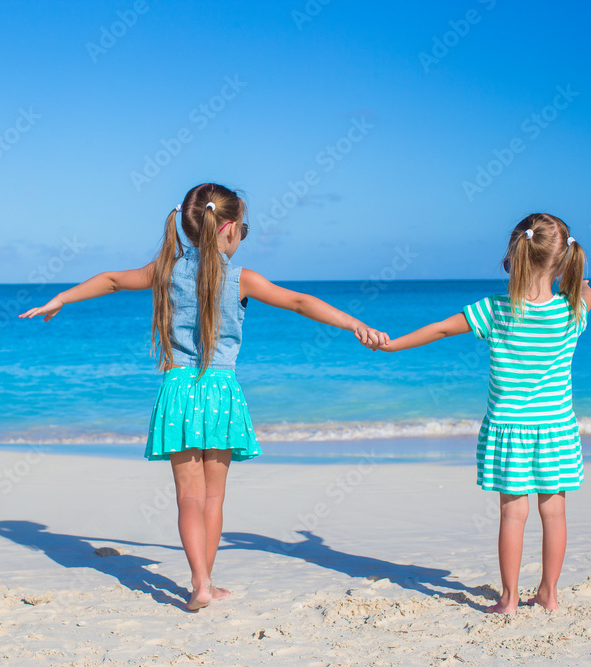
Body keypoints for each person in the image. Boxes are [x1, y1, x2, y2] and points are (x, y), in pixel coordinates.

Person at [20, 183, 386, 611]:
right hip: (222, 392)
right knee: (214, 497)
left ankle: (200, 582)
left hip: (177, 389)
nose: (242, 235)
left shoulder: (165, 269)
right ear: (227, 228)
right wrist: (354, 324)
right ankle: (207, 581)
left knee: (188, 498)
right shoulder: (242, 279)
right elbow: (301, 303)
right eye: (243, 228)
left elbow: (112, 281)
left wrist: (60, 298)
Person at [375, 213, 591, 614]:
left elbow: (440, 329)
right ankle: (550, 595)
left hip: (510, 429)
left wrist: (392, 346)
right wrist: (568, 270)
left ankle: (509, 599)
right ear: (564, 261)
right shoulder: (573, 310)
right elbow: (585, 290)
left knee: (513, 514)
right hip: (558, 428)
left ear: (514, 257)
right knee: (554, 510)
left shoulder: (495, 310)